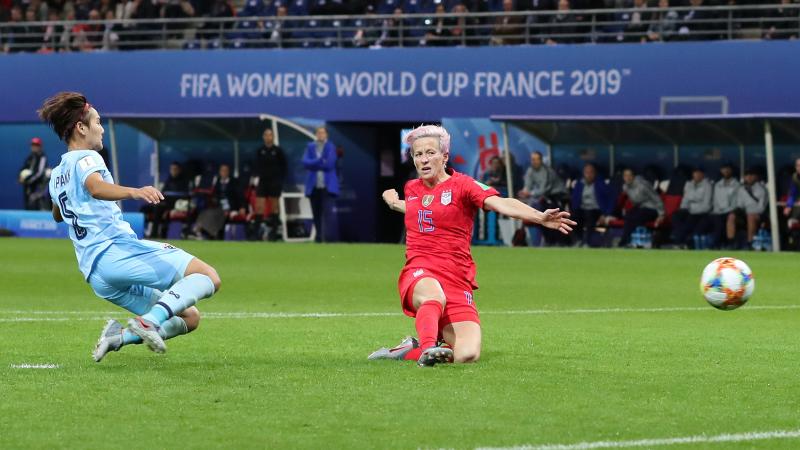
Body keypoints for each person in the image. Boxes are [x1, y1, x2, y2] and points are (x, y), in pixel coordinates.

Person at [369, 125, 575, 367]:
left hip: (457, 277)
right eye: (418, 154)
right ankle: (427, 349)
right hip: (420, 269)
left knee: (467, 354)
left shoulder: (463, 186)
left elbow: (501, 203)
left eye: (430, 153)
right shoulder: (412, 188)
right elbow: (419, 209)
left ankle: (408, 349)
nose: (424, 159)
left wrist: (538, 217)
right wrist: (395, 202)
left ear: (444, 156)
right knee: (432, 295)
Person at [39, 92, 221, 362]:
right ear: (81, 127)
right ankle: (149, 323)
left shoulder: (56, 174)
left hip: (96, 274)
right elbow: (96, 187)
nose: (100, 128)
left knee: (190, 317)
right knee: (208, 276)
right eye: (97, 122)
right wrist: (135, 192)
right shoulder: (88, 158)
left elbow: (57, 214)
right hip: (115, 250)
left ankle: (118, 337)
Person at [302, 126, 340, 242]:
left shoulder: (331, 147)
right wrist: (319, 161)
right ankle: (318, 238)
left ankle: (329, 238)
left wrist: (314, 165)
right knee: (316, 213)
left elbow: (329, 165)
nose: (320, 134)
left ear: (326, 134)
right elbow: (305, 162)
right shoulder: (310, 147)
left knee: (328, 214)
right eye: (318, 132)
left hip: (327, 187)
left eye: (323, 132)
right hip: (313, 186)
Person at [191, 163, 246, 240]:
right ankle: (199, 230)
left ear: (228, 172)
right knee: (206, 212)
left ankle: (208, 233)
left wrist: (242, 207)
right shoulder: (217, 182)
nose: (224, 172)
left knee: (217, 214)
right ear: (220, 172)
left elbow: (240, 195)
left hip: (231, 207)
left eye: (225, 170)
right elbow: (215, 195)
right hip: (219, 206)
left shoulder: (234, 182)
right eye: (222, 170)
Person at [253, 128, 287, 240]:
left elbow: (284, 167)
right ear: (263, 137)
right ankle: (256, 233)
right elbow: (256, 165)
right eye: (266, 135)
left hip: (274, 182)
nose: (268, 137)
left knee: (274, 207)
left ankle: (274, 233)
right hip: (263, 181)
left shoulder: (278, 151)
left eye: (270, 135)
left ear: (273, 137)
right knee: (259, 206)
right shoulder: (260, 150)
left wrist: (280, 181)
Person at [618, 168, 664, 247]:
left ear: (633, 176)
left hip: (652, 209)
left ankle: (630, 241)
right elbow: (635, 202)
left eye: (630, 175)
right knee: (628, 215)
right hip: (641, 208)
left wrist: (661, 214)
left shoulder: (643, 185)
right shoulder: (625, 187)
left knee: (637, 216)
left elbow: (656, 198)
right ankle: (626, 241)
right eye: (625, 175)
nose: (628, 177)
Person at [570, 162, 612, 247]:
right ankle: (578, 240)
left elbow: (610, 199)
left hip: (595, 210)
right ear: (584, 173)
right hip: (581, 209)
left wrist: (605, 214)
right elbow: (574, 199)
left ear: (595, 173)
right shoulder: (579, 184)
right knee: (573, 217)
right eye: (587, 172)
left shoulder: (601, 184)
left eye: (591, 172)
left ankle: (587, 242)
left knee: (589, 216)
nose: (589, 175)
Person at [670, 167, 712, 248]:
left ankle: (681, 241)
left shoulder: (707, 185)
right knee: (676, 216)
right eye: (695, 172)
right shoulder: (688, 184)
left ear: (703, 174)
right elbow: (685, 199)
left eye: (699, 173)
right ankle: (678, 239)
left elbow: (707, 205)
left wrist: (692, 209)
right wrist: (683, 208)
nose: (696, 175)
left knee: (690, 221)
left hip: (701, 212)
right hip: (688, 210)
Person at [729, 168, 767, 249]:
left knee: (750, 216)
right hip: (745, 212)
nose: (749, 177)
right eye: (747, 176)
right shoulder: (742, 189)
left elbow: (762, 207)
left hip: (758, 214)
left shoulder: (762, 189)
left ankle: (750, 243)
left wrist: (750, 212)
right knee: (731, 216)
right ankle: (731, 242)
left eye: (751, 175)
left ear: (756, 177)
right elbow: (740, 205)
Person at [709, 163, 739, 249]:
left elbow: (737, 201)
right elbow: (715, 200)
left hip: (733, 210)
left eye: (728, 169)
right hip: (718, 211)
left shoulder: (736, 185)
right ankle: (716, 244)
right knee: (716, 220)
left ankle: (730, 243)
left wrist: (731, 210)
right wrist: (716, 211)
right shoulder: (717, 185)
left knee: (730, 217)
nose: (725, 171)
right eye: (723, 169)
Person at [19, 137, 50, 210]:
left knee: (37, 205)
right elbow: (23, 169)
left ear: (40, 146)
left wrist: (29, 180)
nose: (34, 147)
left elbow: (39, 173)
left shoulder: (42, 157)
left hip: (38, 187)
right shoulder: (30, 157)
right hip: (28, 186)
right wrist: (20, 177)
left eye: (36, 145)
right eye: (33, 145)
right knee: (28, 205)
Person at [783, 158, 800, 229]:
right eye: (798, 166)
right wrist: (789, 206)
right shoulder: (794, 177)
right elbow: (793, 193)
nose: (799, 168)